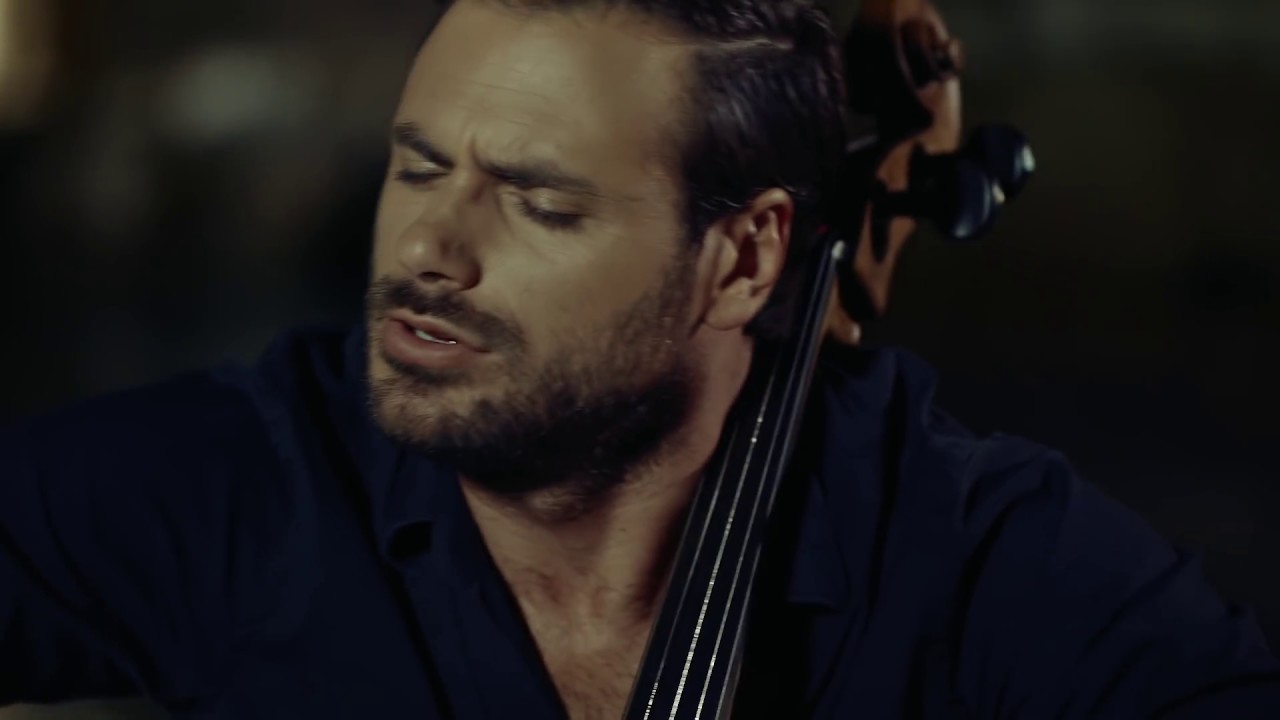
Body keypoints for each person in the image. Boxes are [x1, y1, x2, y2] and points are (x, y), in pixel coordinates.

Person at [3, 0, 1278, 718]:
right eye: (418, 169)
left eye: (540, 204)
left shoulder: (973, 554)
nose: (429, 250)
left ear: (741, 260)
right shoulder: (253, 478)